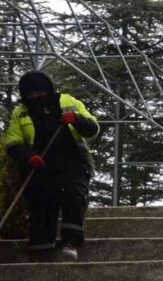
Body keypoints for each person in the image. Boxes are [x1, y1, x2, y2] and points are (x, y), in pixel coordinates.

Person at [2, 70, 100, 261]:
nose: (36, 97)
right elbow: (12, 142)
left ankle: (70, 242)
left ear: (49, 90)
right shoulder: (21, 112)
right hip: (40, 166)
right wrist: (28, 156)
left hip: (73, 162)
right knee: (42, 202)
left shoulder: (68, 101)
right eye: (31, 95)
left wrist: (76, 119)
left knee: (74, 196)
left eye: (40, 93)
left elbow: (93, 128)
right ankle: (41, 247)